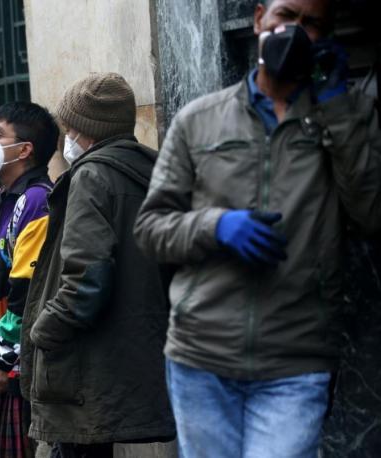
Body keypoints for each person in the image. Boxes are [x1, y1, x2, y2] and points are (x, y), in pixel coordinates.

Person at [133, 0, 381, 456]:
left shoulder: (345, 117)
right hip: (201, 353)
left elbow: (370, 213)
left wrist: (337, 109)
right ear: (259, 19)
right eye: (287, 17)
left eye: (313, 25)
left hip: (296, 357)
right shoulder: (199, 118)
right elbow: (151, 228)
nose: (296, 31)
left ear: (325, 39)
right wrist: (216, 226)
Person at [20, 73, 176, 458]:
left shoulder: (92, 176)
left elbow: (85, 277)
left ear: (87, 131)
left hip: (82, 361)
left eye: (70, 128)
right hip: (130, 352)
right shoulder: (151, 172)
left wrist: (44, 331)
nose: (66, 139)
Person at [0, 101, 59, 457]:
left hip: (25, 365)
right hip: (1, 360)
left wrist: (2, 356)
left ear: (24, 150)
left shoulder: (37, 201)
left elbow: (26, 290)